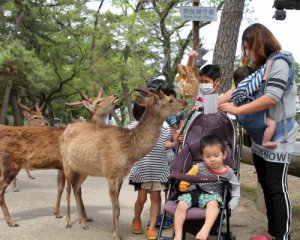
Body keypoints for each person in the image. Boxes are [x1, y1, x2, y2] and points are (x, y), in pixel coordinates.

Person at [219, 23, 297, 240]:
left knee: (276, 187)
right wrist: (212, 103)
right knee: (265, 184)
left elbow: (271, 97)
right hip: (259, 135)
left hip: (279, 135)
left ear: (259, 41)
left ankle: (282, 236)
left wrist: (237, 109)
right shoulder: (261, 66)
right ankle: (272, 232)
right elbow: (239, 89)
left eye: (248, 46)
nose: (248, 52)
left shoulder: (280, 62)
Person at [173, 135, 240, 240]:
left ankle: (205, 229)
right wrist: (183, 186)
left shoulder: (228, 172)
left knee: (213, 204)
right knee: (181, 205)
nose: (212, 159)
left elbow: (236, 187)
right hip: (194, 192)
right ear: (202, 156)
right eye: (208, 156)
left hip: (212, 195)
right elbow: (187, 178)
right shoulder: (199, 167)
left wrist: (234, 201)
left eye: (216, 155)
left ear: (224, 155)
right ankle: (178, 234)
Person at [129, 102, 176, 239]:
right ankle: (136, 219)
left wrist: (175, 142)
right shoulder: (133, 126)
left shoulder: (164, 126)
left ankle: (151, 227)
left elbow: (166, 144)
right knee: (141, 199)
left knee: (156, 198)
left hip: (159, 169)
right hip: (141, 169)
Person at [233, 66, 277, 148]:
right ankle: (266, 141)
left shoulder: (237, 92)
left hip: (242, 119)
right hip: (251, 116)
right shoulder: (252, 89)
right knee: (272, 124)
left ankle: (249, 131)